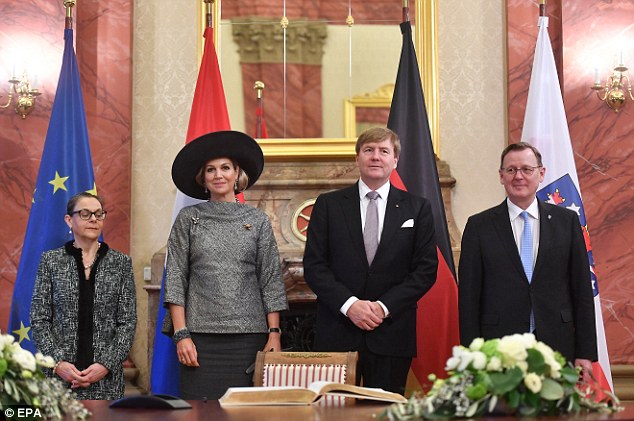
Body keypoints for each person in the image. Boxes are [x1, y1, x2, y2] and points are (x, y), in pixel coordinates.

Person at [303, 127, 438, 395]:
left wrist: (383, 307)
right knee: (334, 413)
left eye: (384, 151)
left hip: (391, 331)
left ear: (395, 161)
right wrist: (350, 305)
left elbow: (425, 270)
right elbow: (315, 266)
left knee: (384, 412)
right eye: (369, 150)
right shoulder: (328, 205)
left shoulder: (417, 208)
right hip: (338, 331)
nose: (376, 157)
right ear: (357, 159)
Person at [164, 130, 288, 400]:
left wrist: (274, 333)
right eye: (211, 170)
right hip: (198, 338)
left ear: (237, 174)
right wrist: (181, 334)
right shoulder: (189, 218)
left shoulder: (257, 220)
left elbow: (270, 279)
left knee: (243, 413)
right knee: (198, 414)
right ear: (203, 179)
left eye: (225, 168)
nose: (218, 175)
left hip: (248, 338)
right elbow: (175, 277)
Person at [458, 142, 597, 379]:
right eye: (511, 170)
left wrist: (585, 352)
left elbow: (582, 291)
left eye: (526, 169)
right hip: (497, 347)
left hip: (558, 343)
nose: (518, 176)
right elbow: (469, 298)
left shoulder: (567, 222)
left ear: (541, 173)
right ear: (501, 176)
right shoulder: (479, 226)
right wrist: (473, 354)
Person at [30, 192, 137, 400]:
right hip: (58, 379)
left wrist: (106, 364)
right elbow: (39, 319)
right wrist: (58, 362)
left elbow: (127, 322)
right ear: (69, 220)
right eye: (85, 214)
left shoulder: (121, 264)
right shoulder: (50, 262)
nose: (94, 219)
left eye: (99, 214)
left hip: (106, 380)